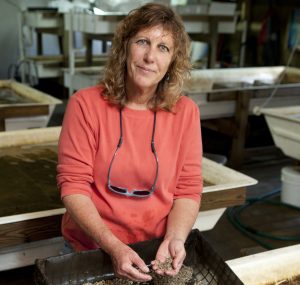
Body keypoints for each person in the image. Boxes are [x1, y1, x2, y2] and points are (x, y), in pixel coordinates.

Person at [57, 2, 203, 282]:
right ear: (125, 48)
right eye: (142, 42)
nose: (150, 56)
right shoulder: (85, 104)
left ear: (173, 60)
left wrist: (175, 237)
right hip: (88, 250)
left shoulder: (186, 112)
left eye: (163, 48)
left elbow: (188, 187)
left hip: (153, 252)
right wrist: (112, 245)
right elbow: (73, 184)